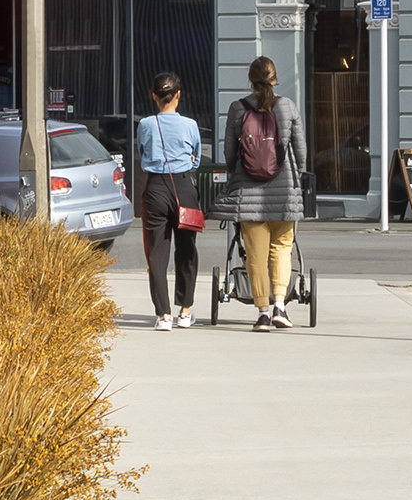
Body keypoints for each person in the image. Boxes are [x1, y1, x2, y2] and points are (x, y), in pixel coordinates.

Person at [224, 54, 309, 330]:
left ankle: (261, 312)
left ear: (251, 80)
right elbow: (301, 150)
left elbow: (228, 151)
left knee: (255, 253)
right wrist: (298, 175)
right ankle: (280, 307)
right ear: (275, 78)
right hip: (284, 192)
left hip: (248, 193)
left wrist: (235, 171)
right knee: (282, 248)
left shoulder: (237, 109)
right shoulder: (288, 108)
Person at [130, 71, 205, 329]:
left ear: (154, 96)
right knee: (186, 250)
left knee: (156, 253)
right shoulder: (191, 125)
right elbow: (196, 155)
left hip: (155, 188)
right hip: (183, 186)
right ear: (178, 95)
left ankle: (163, 315)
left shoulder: (146, 124)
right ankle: (185, 311)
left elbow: (142, 152)